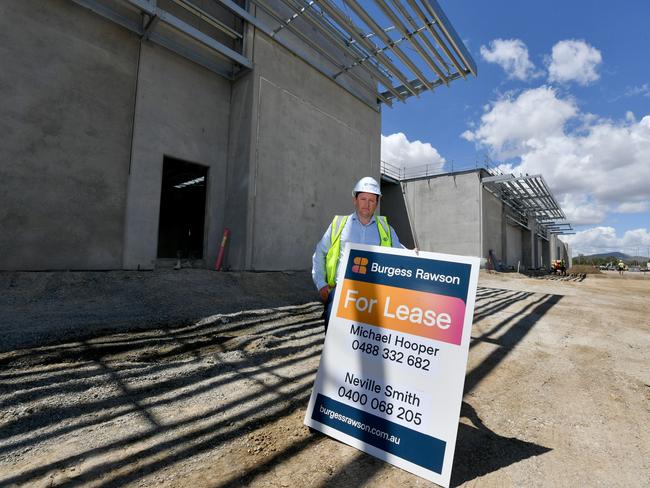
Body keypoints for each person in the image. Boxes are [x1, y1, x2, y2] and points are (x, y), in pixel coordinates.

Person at [311, 176, 405, 331]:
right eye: (363, 199)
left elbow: (401, 253)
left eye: (371, 200)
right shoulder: (339, 225)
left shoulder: (386, 228)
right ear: (355, 200)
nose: (366, 204)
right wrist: (321, 284)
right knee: (335, 340)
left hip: (373, 295)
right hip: (340, 291)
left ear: (377, 202)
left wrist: (415, 255)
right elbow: (320, 252)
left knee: (368, 342)